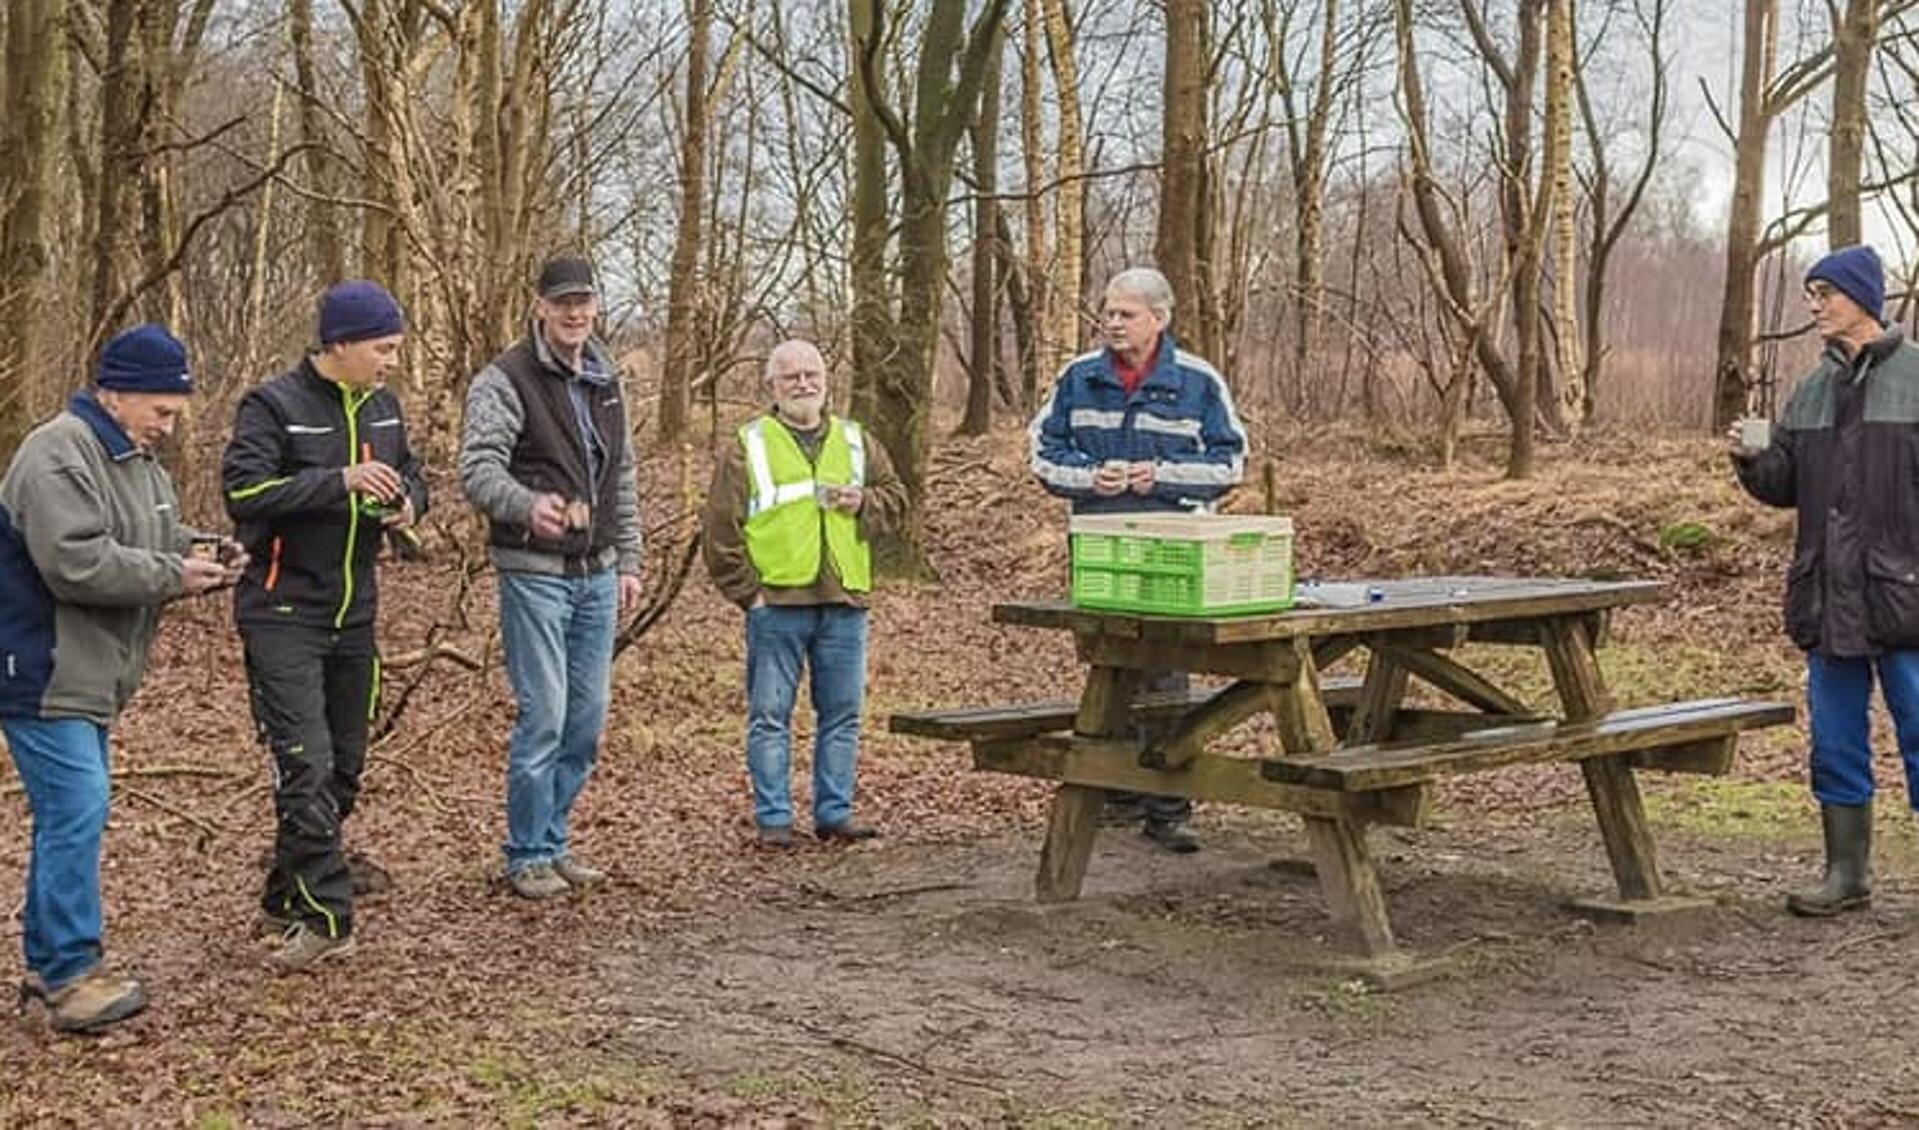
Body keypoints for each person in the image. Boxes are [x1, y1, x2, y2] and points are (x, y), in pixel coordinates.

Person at [0, 325, 241, 1031]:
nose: (168, 426)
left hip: (92, 673)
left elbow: (154, 537)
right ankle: (72, 975)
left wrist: (205, 553)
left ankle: (51, 964)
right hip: (41, 667)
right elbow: (74, 561)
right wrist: (173, 575)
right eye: (160, 411)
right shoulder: (56, 452)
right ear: (115, 391)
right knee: (78, 806)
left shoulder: (138, 462)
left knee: (73, 812)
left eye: (174, 412)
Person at [222, 281, 426, 971]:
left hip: (354, 615)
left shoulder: (385, 407)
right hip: (281, 612)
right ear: (338, 344)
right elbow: (243, 492)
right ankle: (326, 917)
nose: (392, 361)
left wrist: (407, 507)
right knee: (303, 763)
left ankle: (283, 894)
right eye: (383, 347)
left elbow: (412, 477)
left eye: (395, 347)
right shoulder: (272, 405)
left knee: (341, 769)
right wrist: (338, 480)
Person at [1027, 266, 1249, 853]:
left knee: (1165, 670)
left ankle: (1169, 807)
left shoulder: (1199, 382)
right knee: (1109, 663)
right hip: (1098, 543)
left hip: (1172, 547)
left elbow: (1230, 465)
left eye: (1126, 313)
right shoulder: (1077, 377)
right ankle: (1116, 792)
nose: (1113, 323)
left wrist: (1161, 477)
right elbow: (1044, 454)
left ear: (1159, 318)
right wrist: (1088, 478)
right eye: (1108, 312)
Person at [1732, 243, 1919, 918]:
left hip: (1905, 599)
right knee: (1834, 740)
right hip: (1825, 597)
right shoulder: (1808, 389)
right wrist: (1754, 460)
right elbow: (1785, 488)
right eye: (1810, 293)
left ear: (1861, 298)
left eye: (1823, 292)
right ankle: (1846, 877)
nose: (1812, 304)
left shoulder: (1916, 379)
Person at [460, 255, 643, 899]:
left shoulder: (605, 377)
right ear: (539, 305)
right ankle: (526, 852)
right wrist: (526, 506)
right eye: (562, 301)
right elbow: (476, 469)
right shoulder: (505, 379)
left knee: (586, 721)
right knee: (545, 715)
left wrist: (630, 560)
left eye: (584, 300)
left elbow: (621, 476)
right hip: (533, 572)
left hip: (598, 573)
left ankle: (555, 839)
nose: (574, 312)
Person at [701, 340, 907, 848]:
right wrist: (748, 596)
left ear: (825, 380)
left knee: (842, 716)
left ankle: (834, 814)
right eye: (791, 376)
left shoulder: (857, 440)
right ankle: (774, 820)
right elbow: (720, 530)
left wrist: (865, 502)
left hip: (845, 602)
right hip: (777, 605)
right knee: (770, 718)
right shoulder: (746, 445)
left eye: (811, 374)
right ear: (772, 385)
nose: (803, 383)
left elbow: (898, 501)